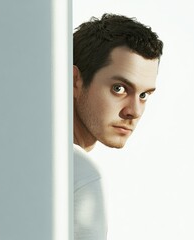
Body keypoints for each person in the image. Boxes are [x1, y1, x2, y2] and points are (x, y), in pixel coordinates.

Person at [73, 13, 163, 240]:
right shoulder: (80, 173)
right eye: (119, 89)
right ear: (75, 80)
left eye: (143, 95)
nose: (135, 111)